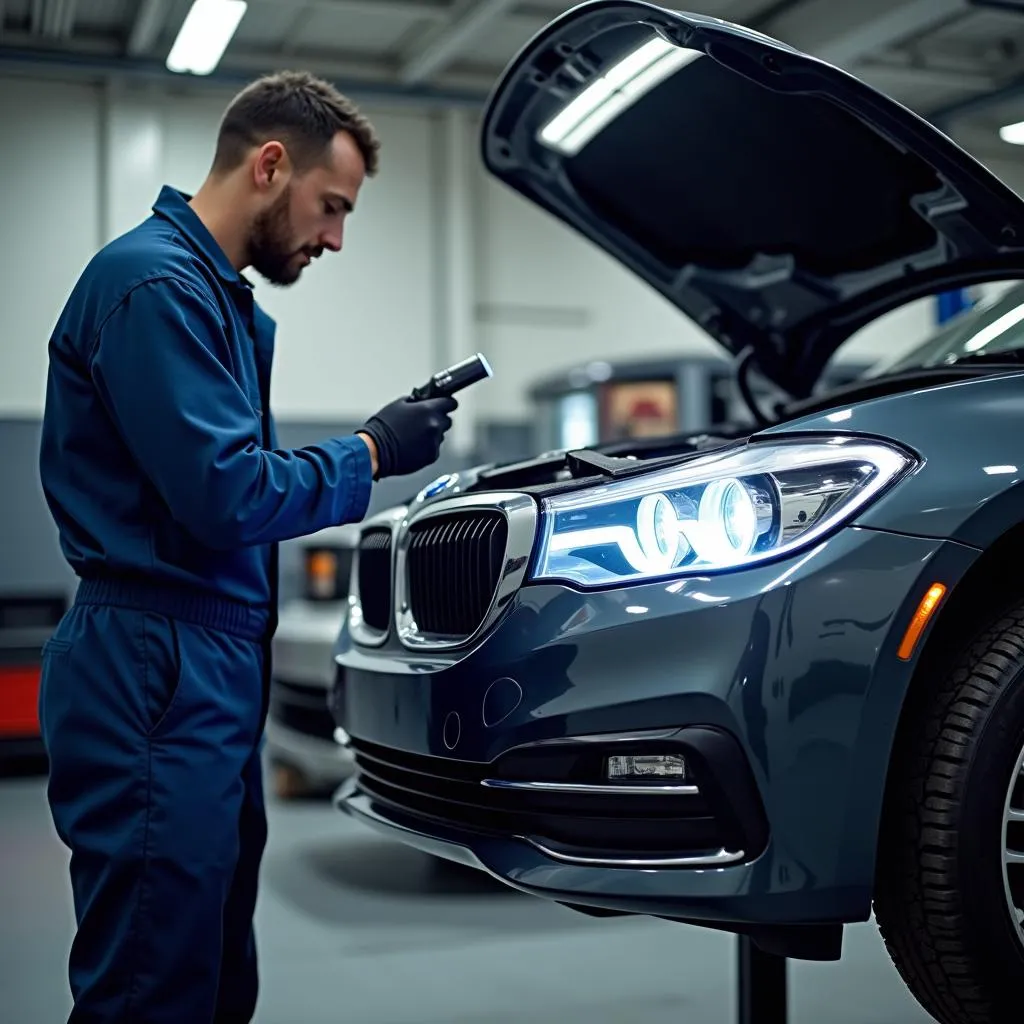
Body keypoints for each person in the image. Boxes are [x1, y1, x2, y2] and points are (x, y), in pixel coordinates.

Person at [36, 70, 458, 1024]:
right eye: (332, 206)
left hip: (206, 669)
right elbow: (225, 494)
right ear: (271, 165)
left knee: (216, 975)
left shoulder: (214, 300)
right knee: (153, 986)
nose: (336, 239)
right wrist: (371, 451)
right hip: (154, 667)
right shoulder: (152, 285)